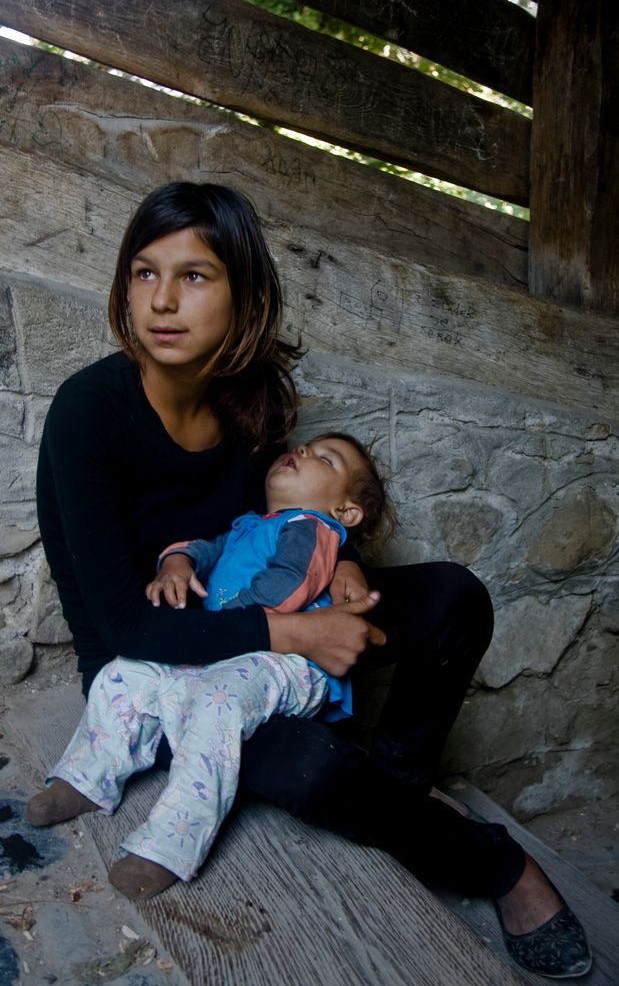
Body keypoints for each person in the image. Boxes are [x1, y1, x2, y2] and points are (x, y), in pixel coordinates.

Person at [33, 181, 591, 978]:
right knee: (310, 767)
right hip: (159, 674)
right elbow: (126, 626)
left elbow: (290, 520)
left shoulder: (248, 393)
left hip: (269, 632)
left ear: (244, 294)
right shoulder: (87, 413)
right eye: (143, 272)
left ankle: (397, 790)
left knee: (453, 597)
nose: (161, 300)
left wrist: (349, 568)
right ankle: (500, 868)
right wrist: (299, 632)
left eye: (194, 276)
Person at [27, 433, 389, 896]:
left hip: (289, 660)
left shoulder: (311, 528)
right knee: (126, 670)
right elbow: (207, 548)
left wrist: (218, 622)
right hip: (235, 648)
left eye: (325, 459)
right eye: (304, 448)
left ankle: (170, 846)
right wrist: (177, 561)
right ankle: (84, 777)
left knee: (217, 705)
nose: (302, 453)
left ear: (346, 511)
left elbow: (286, 590)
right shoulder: (253, 525)